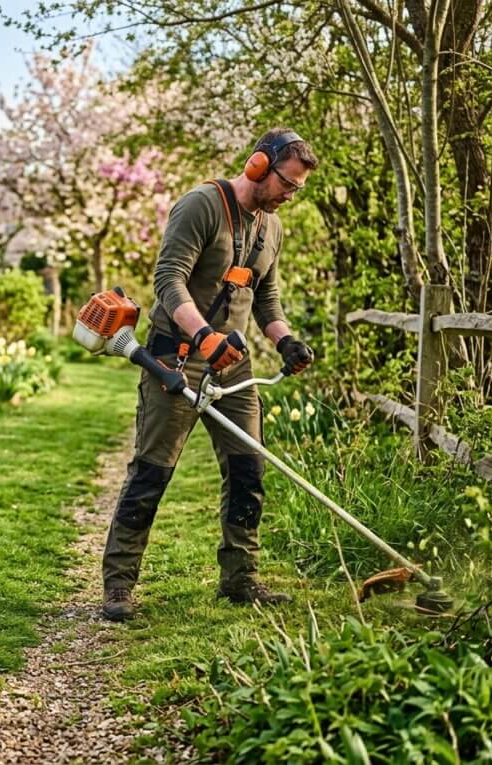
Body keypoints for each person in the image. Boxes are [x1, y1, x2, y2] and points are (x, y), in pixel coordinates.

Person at [101, 128, 319, 621]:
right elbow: (168, 281)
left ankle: (240, 579)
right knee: (152, 471)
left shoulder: (271, 227)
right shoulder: (201, 206)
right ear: (259, 166)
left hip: (233, 362)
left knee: (248, 469)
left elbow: (266, 299)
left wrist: (284, 340)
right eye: (287, 183)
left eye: (297, 189)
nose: (290, 195)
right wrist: (203, 336)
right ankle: (118, 586)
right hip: (178, 354)